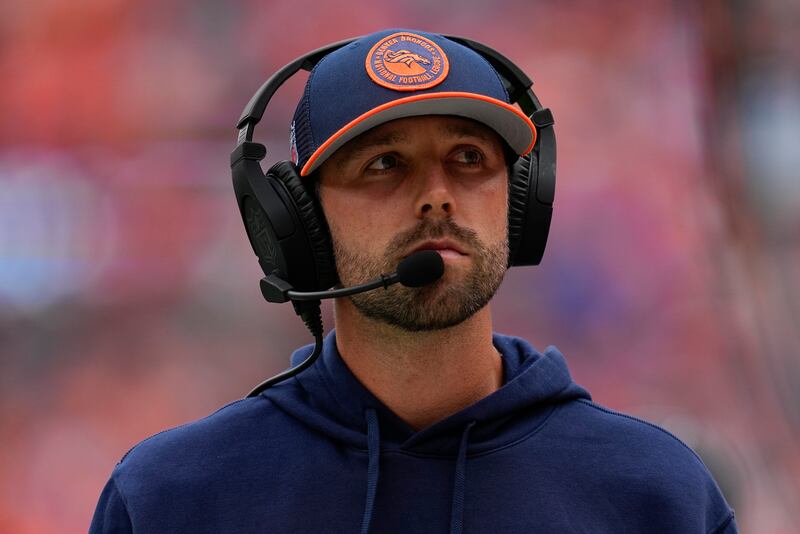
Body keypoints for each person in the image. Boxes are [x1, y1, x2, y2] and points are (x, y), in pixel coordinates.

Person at [90, 29, 737, 533]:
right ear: (299, 224)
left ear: (520, 201)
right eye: (384, 164)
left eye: (467, 158)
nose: (436, 197)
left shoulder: (653, 492)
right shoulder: (172, 498)